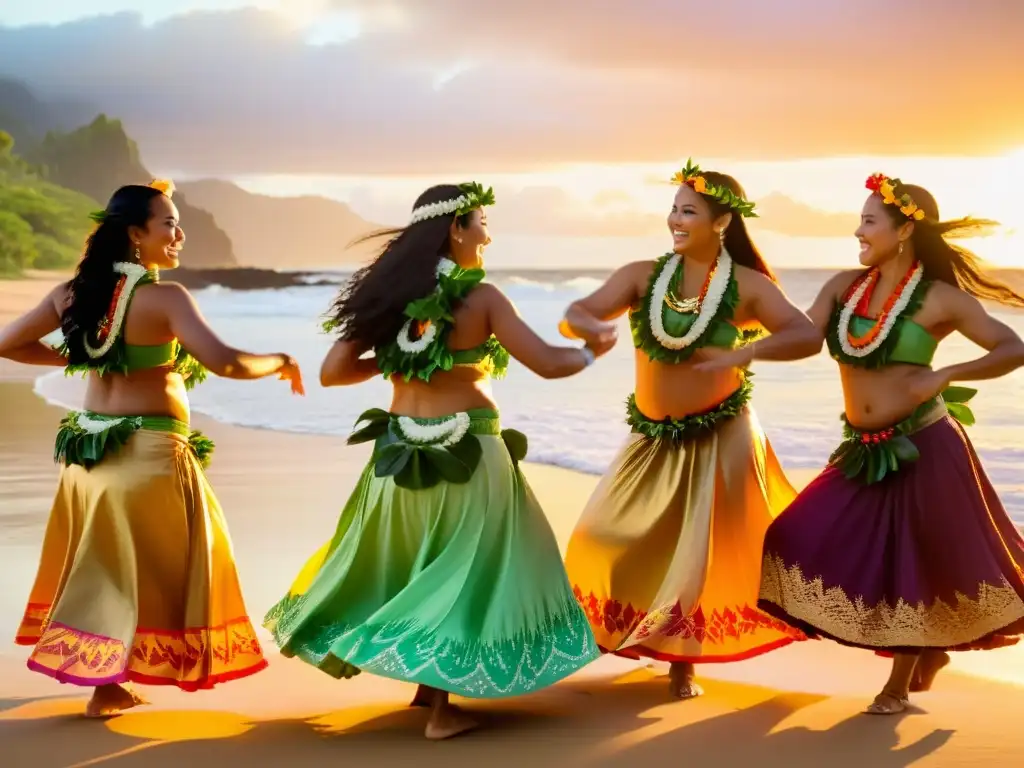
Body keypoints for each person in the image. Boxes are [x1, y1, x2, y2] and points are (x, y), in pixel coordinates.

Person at [263, 182, 614, 740]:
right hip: (468, 454)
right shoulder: (485, 299)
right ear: (456, 229)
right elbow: (548, 363)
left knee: (412, 562)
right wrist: (594, 350)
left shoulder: (390, 294)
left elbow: (332, 372)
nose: (488, 234)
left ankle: (426, 688)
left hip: (398, 453)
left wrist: (401, 357)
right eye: (480, 221)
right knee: (459, 573)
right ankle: (442, 711)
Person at [0, 181, 304, 717]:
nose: (179, 233)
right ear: (136, 234)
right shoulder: (165, 299)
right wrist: (279, 360)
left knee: (109, 569)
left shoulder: (73, 294)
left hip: (89, 459)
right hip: (146, 455)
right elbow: (225, 362)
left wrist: (84, 358)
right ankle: (105, 688)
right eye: (168, 223)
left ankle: (108, 683)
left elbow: (8, 343)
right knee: (161, 570)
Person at [758, 173, 1024, 714]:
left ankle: (898, 683)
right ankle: (926, 653)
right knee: (791, 533)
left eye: (869, 222)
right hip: (863, 447)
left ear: (904, 229)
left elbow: (1010, 346)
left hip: (925, 444)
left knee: (910, 563)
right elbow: (808, 335)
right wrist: (748, 342)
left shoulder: (940, 299)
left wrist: (945, 373)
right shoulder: (843, 287)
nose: (858, 231)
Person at [559, 160, 821, 700]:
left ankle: (684, 662)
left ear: (722, 220)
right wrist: (589, 327)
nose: (675, 219)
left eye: (689, 211)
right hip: (652, 434)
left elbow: (805, 336)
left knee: (696, 554)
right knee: (602, 534)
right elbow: (578, 310)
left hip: (723, 435)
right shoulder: (642, 275)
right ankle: (627, 631)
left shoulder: (748, 286)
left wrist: (744, 351)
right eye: (674, 208)